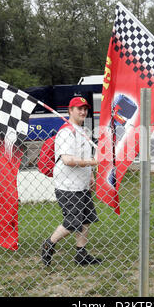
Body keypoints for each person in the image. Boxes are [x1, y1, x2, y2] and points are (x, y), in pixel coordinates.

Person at [41, 96, 102, 267]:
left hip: (81, 184)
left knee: (87, 218)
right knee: (73, 221)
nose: (83, 111)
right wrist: (94, 163)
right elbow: (67, 159)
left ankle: (81, 254)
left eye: (85, 108)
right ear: (70, 111)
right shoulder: (66, 132)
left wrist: (91, 176)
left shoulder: (82, 131)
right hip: (68, 186)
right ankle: (48, 244)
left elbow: (84, 156)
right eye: (79, 109)